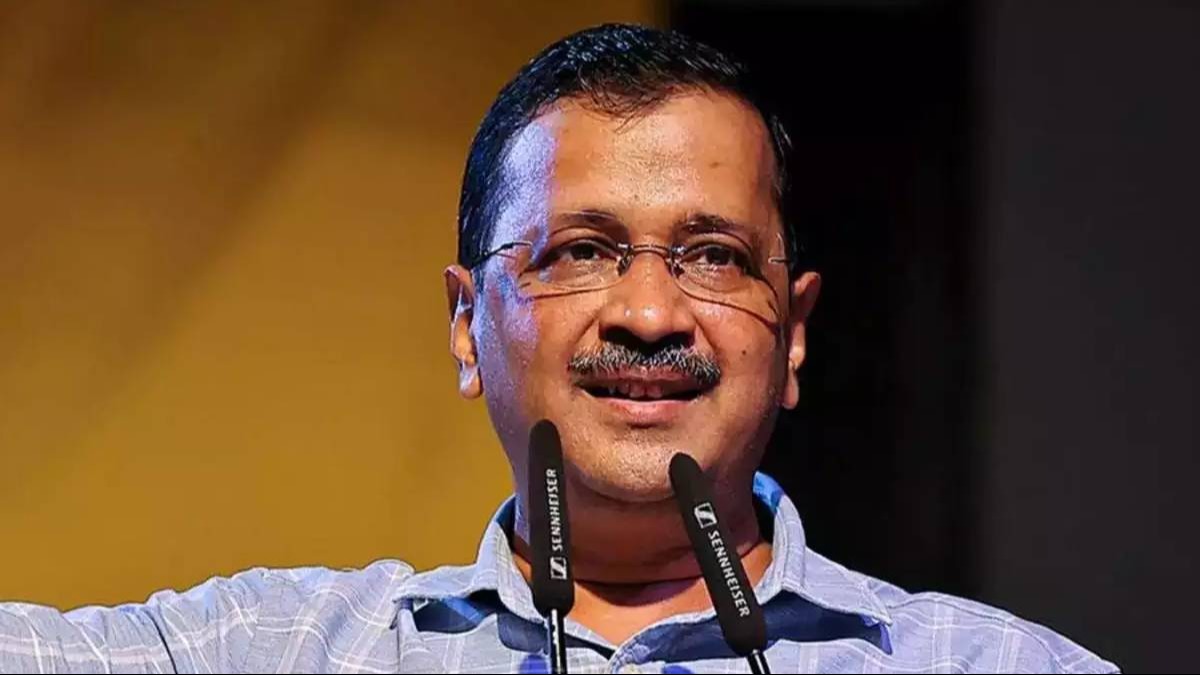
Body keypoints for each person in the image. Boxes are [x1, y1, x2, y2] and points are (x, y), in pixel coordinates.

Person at [0, 24, 1117, 674]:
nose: (650, 314)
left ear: (794, 334)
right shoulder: (290, 651)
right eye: (581, 251)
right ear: (466, 325)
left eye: (715, 256)